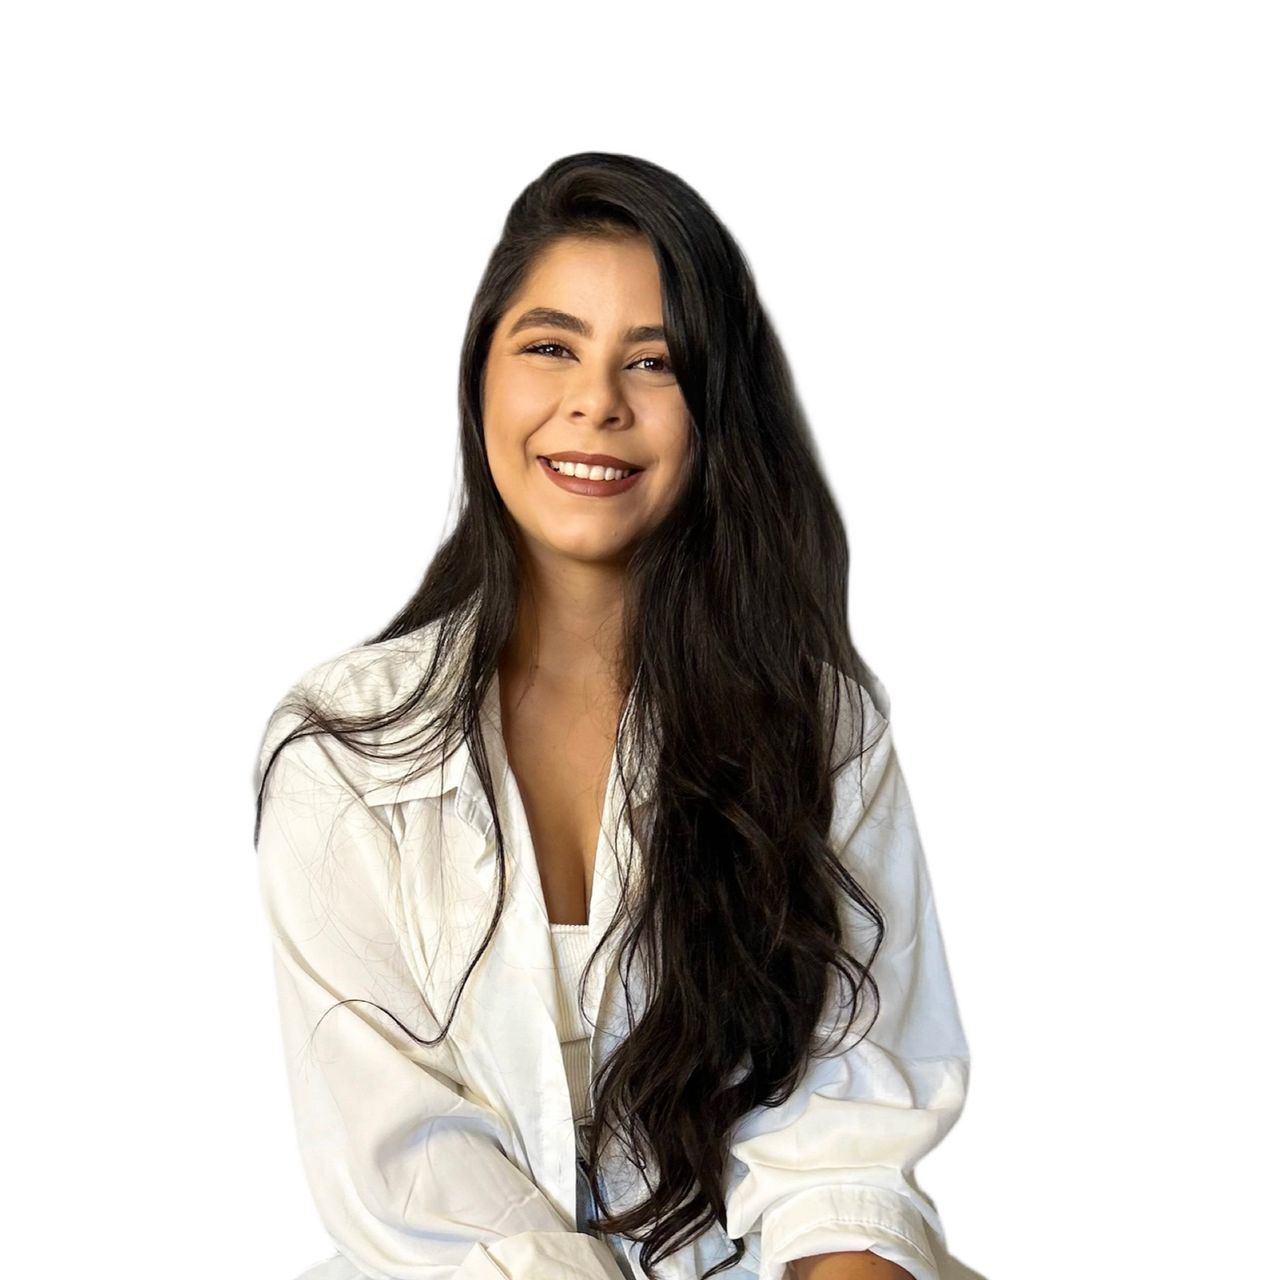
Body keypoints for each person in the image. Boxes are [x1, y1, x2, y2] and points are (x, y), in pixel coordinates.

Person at [252, 152, 971, 1280]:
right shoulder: (344, 748)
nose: (597, 401)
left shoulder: (820, 724)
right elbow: (413, 1180)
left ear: (713, 411)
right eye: (550, 347)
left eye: (654, 361)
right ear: (479, 378)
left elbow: (845, 1139)